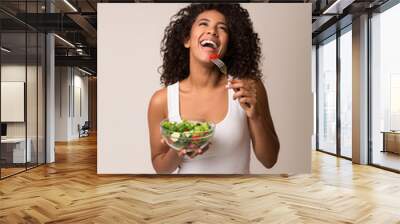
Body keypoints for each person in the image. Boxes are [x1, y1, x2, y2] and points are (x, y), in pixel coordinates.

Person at [147, 3, 279, 174]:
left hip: (237, 198)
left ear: (228, 46)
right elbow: (160, 168)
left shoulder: (246, 88)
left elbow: (269, 160)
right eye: (204, 23)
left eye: (222, 28)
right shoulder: (161, 100)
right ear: (187, 40)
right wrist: (180, 147)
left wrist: (255, 116)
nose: (212, 31)